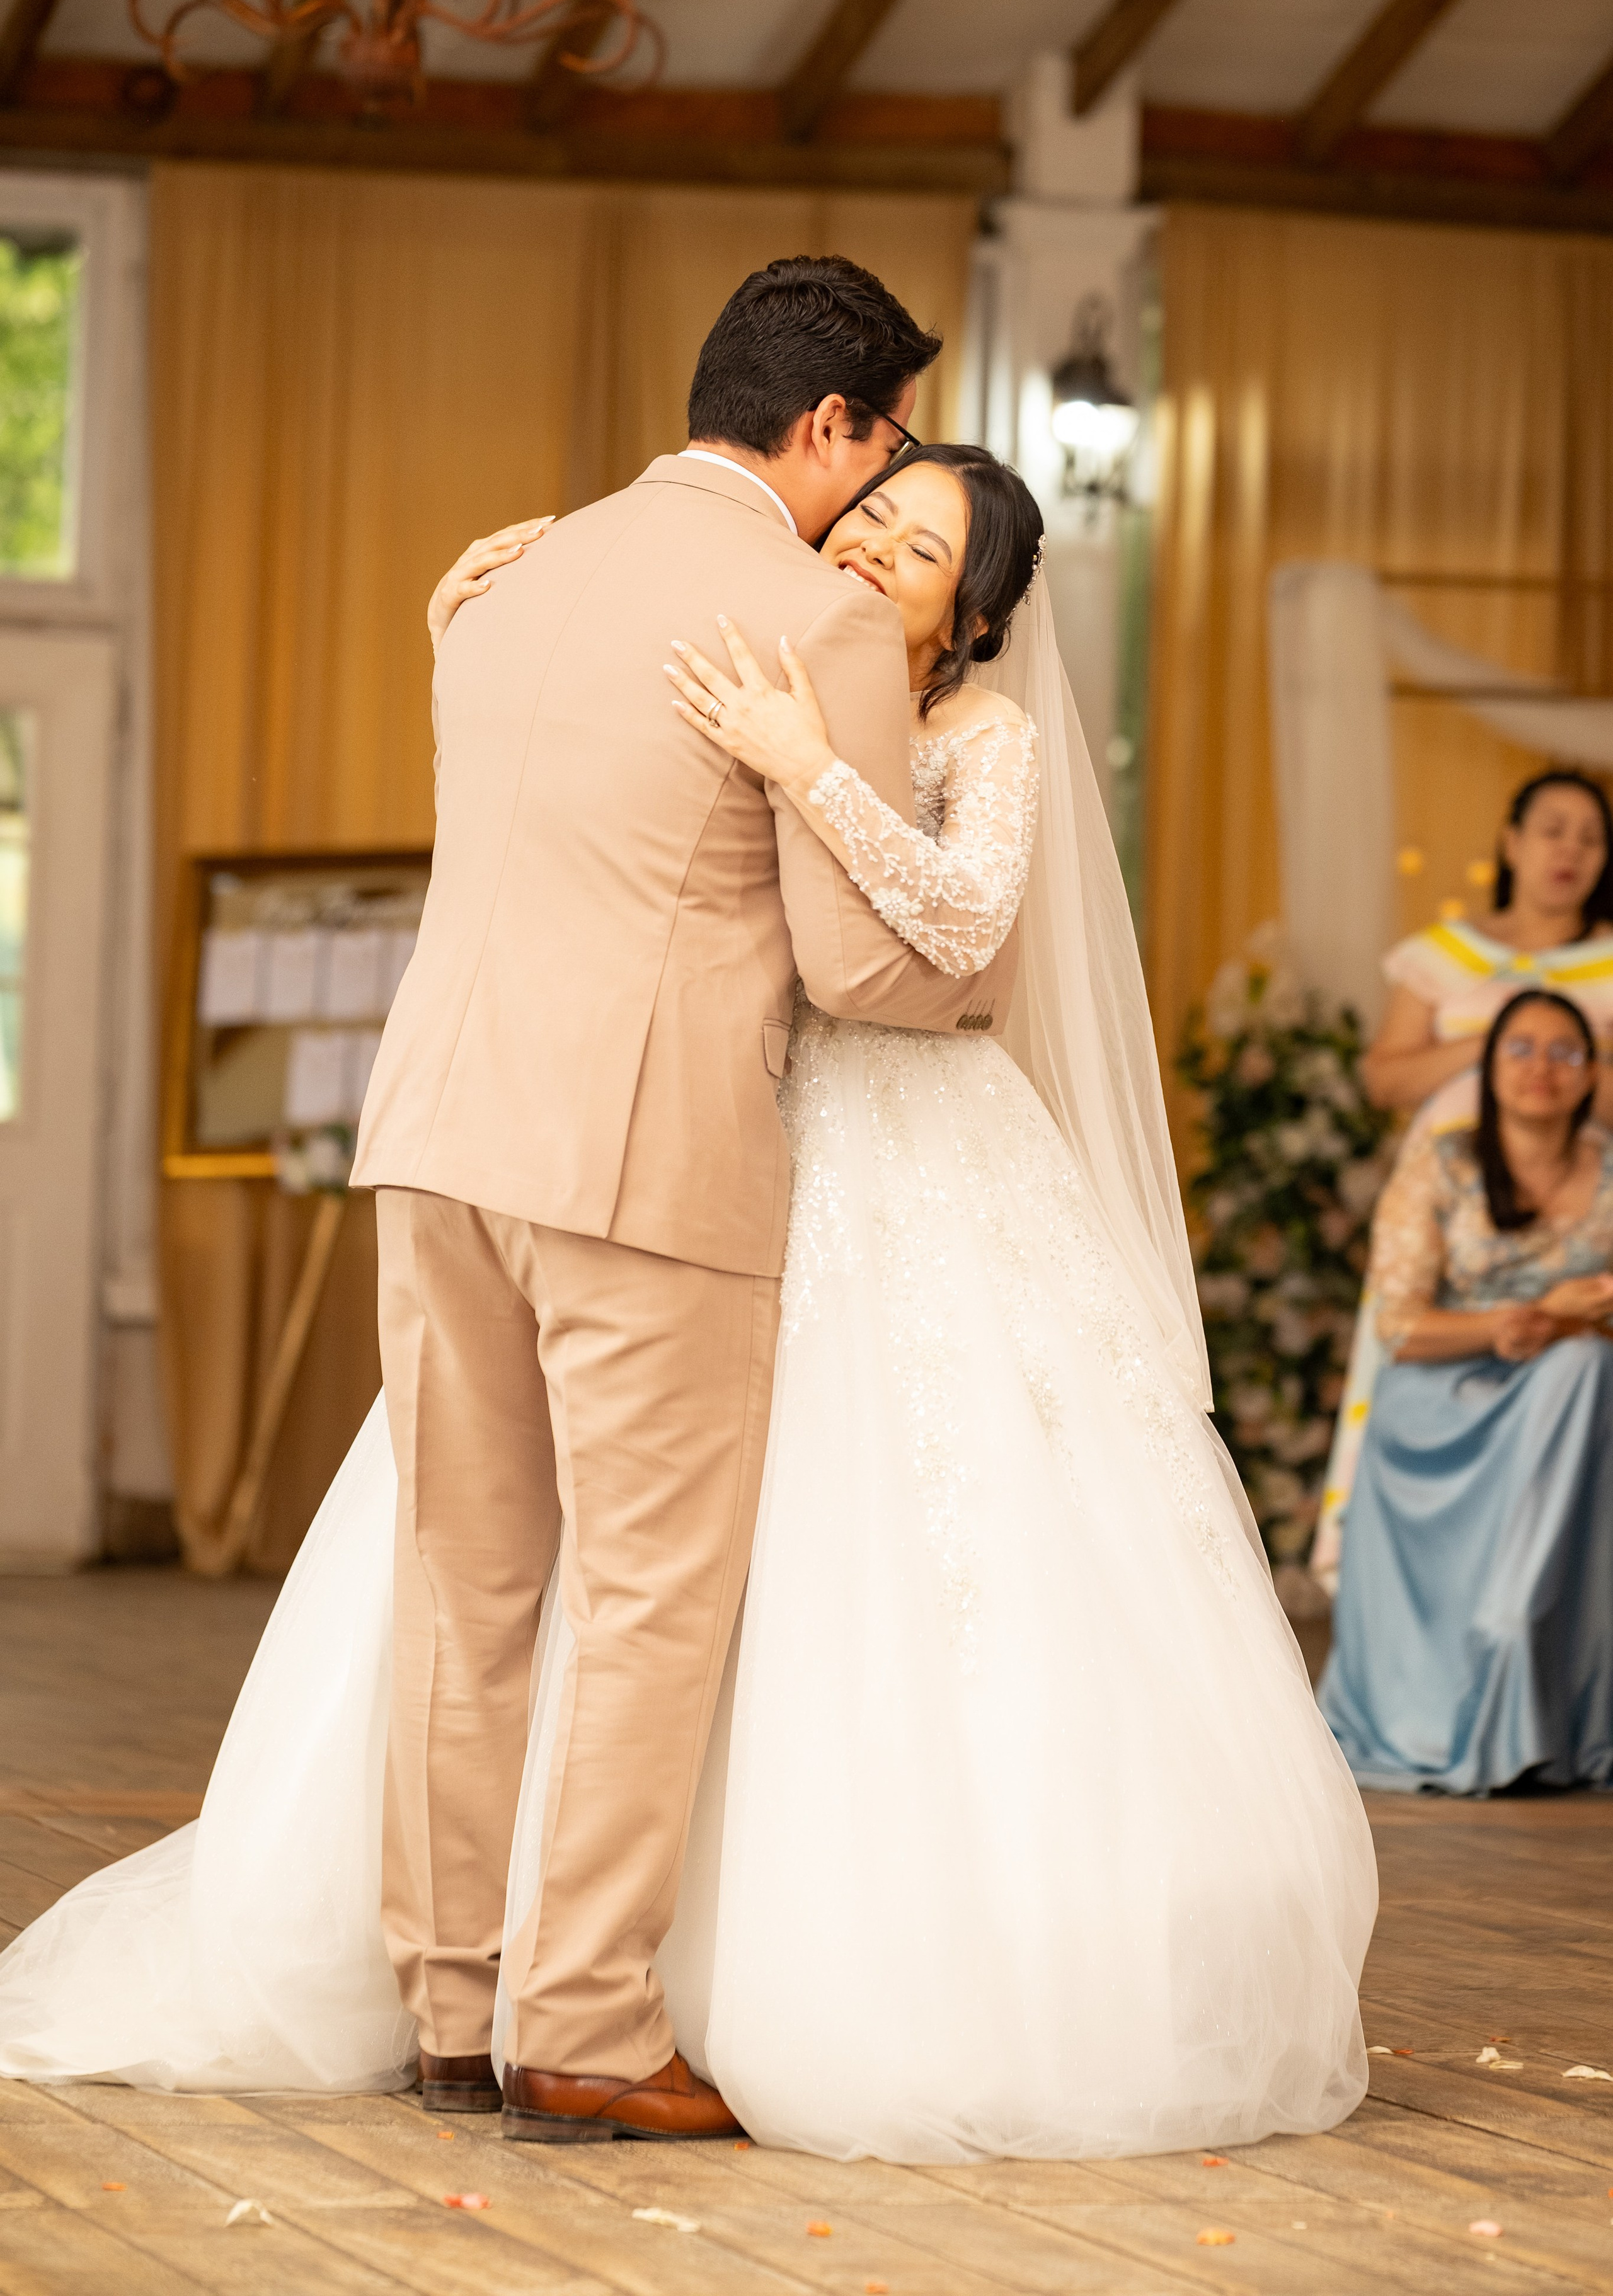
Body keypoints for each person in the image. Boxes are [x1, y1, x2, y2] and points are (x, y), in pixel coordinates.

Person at [0, 391, 1375, 2163]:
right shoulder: (748, 645)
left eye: (919, 549)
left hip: (899, 1161)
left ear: (970, 620)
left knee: (814, 1562)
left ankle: (689, 1974)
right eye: (873, 521)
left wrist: (807, 764)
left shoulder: (978, 735)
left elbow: (954, 939)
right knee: (580, 1570)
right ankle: (517, 1982)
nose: (874, 549)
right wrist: (473, 627)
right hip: (700, 1144)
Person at [1312, 770, 1613, 1589]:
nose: (1570, 851)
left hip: (1570, 1203)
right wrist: (1496, 1038)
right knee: (1413, 1343)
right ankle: (1389, 1568)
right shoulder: (1446, 957)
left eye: (1590, 838)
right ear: (1512, 843)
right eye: (1552, 829)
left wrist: (1548, 1055)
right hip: (1443, 1200)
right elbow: (1384, 1079)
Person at [1319, 990, 1613, 1795]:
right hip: (1445, 1401)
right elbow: (1400, 1328)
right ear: (1488, 1069)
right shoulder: (1441, 1166)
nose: (1541, 1070)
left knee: (1582, 1371)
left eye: (1565, 1053)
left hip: (1578, 1397)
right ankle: (1498, 1653)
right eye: (1520, 1050)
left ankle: (1529, 1651)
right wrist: (1519, 1322)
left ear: (1591, 1076)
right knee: (1576, 1371)